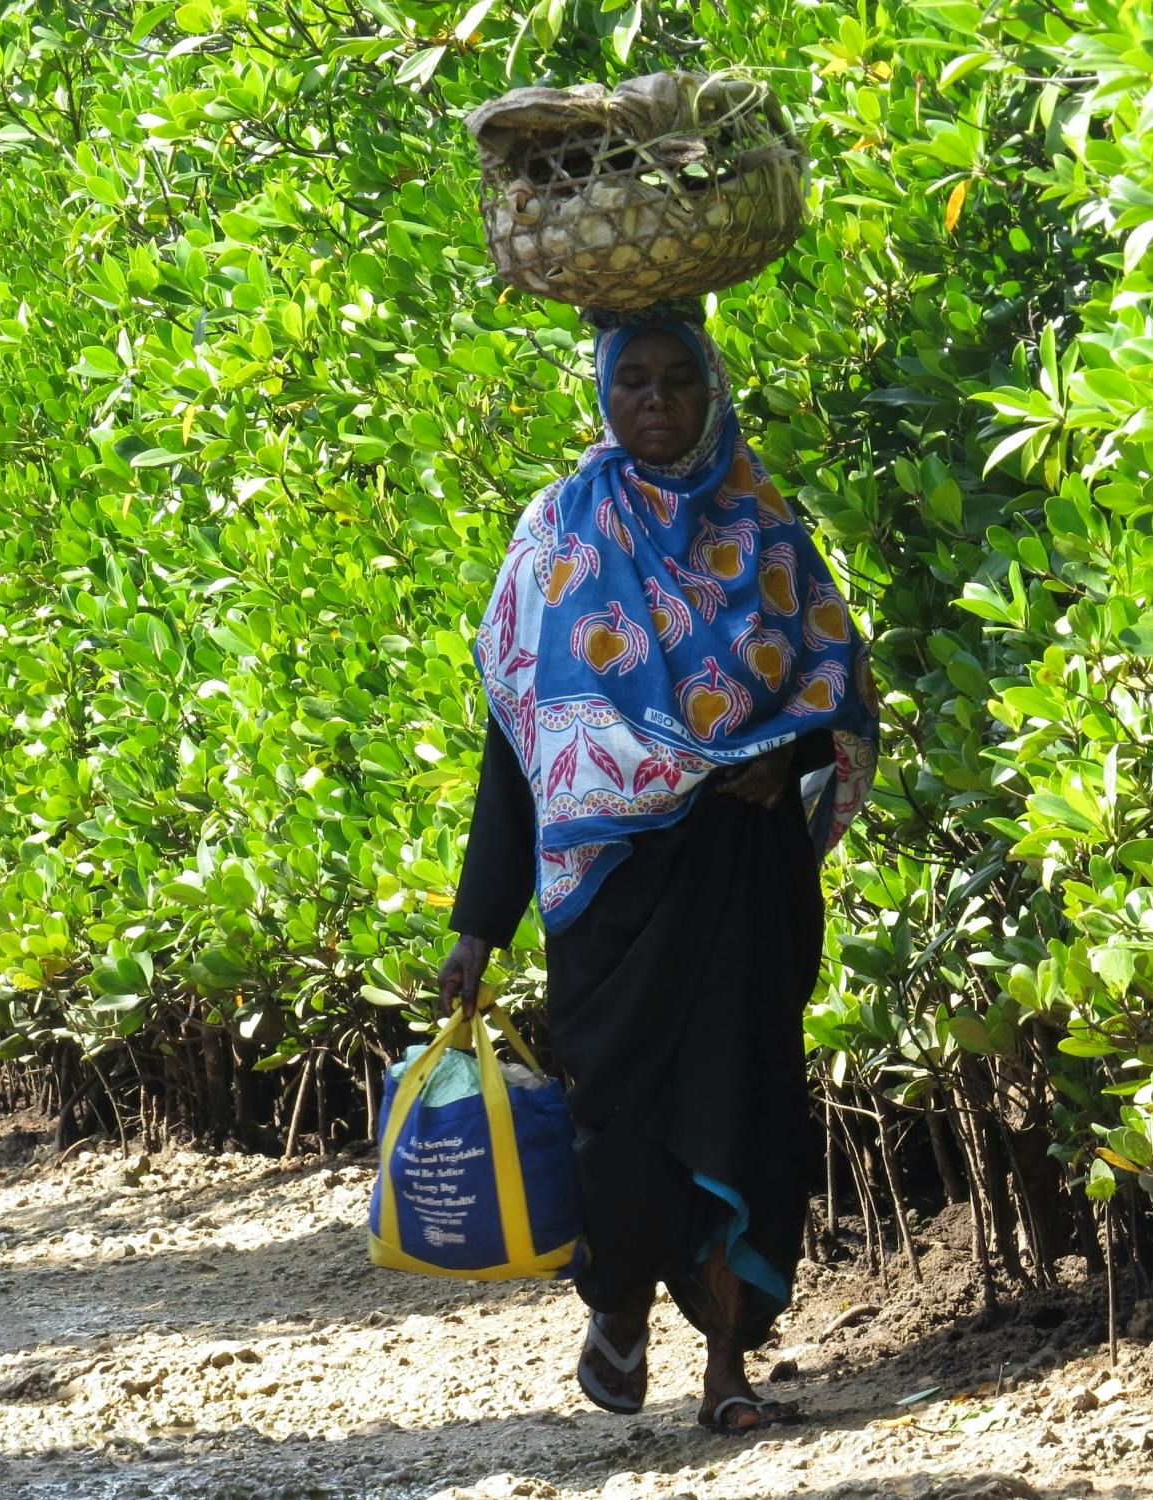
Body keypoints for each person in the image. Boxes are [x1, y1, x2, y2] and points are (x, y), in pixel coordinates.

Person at [437, 304, 878, 1437]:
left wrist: (782, 762)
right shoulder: (558, 537)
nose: (656, 402)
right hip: (613, 891)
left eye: (678, 380)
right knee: (618, 1125)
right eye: (632, 381)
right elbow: (517, 743)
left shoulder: (765, 528)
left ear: (711, 390)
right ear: (601, 390)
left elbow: (832, 693)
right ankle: (619, 1306)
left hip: (740, 876)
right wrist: (476, 925)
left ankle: (728, 1365)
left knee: (748, 1111)